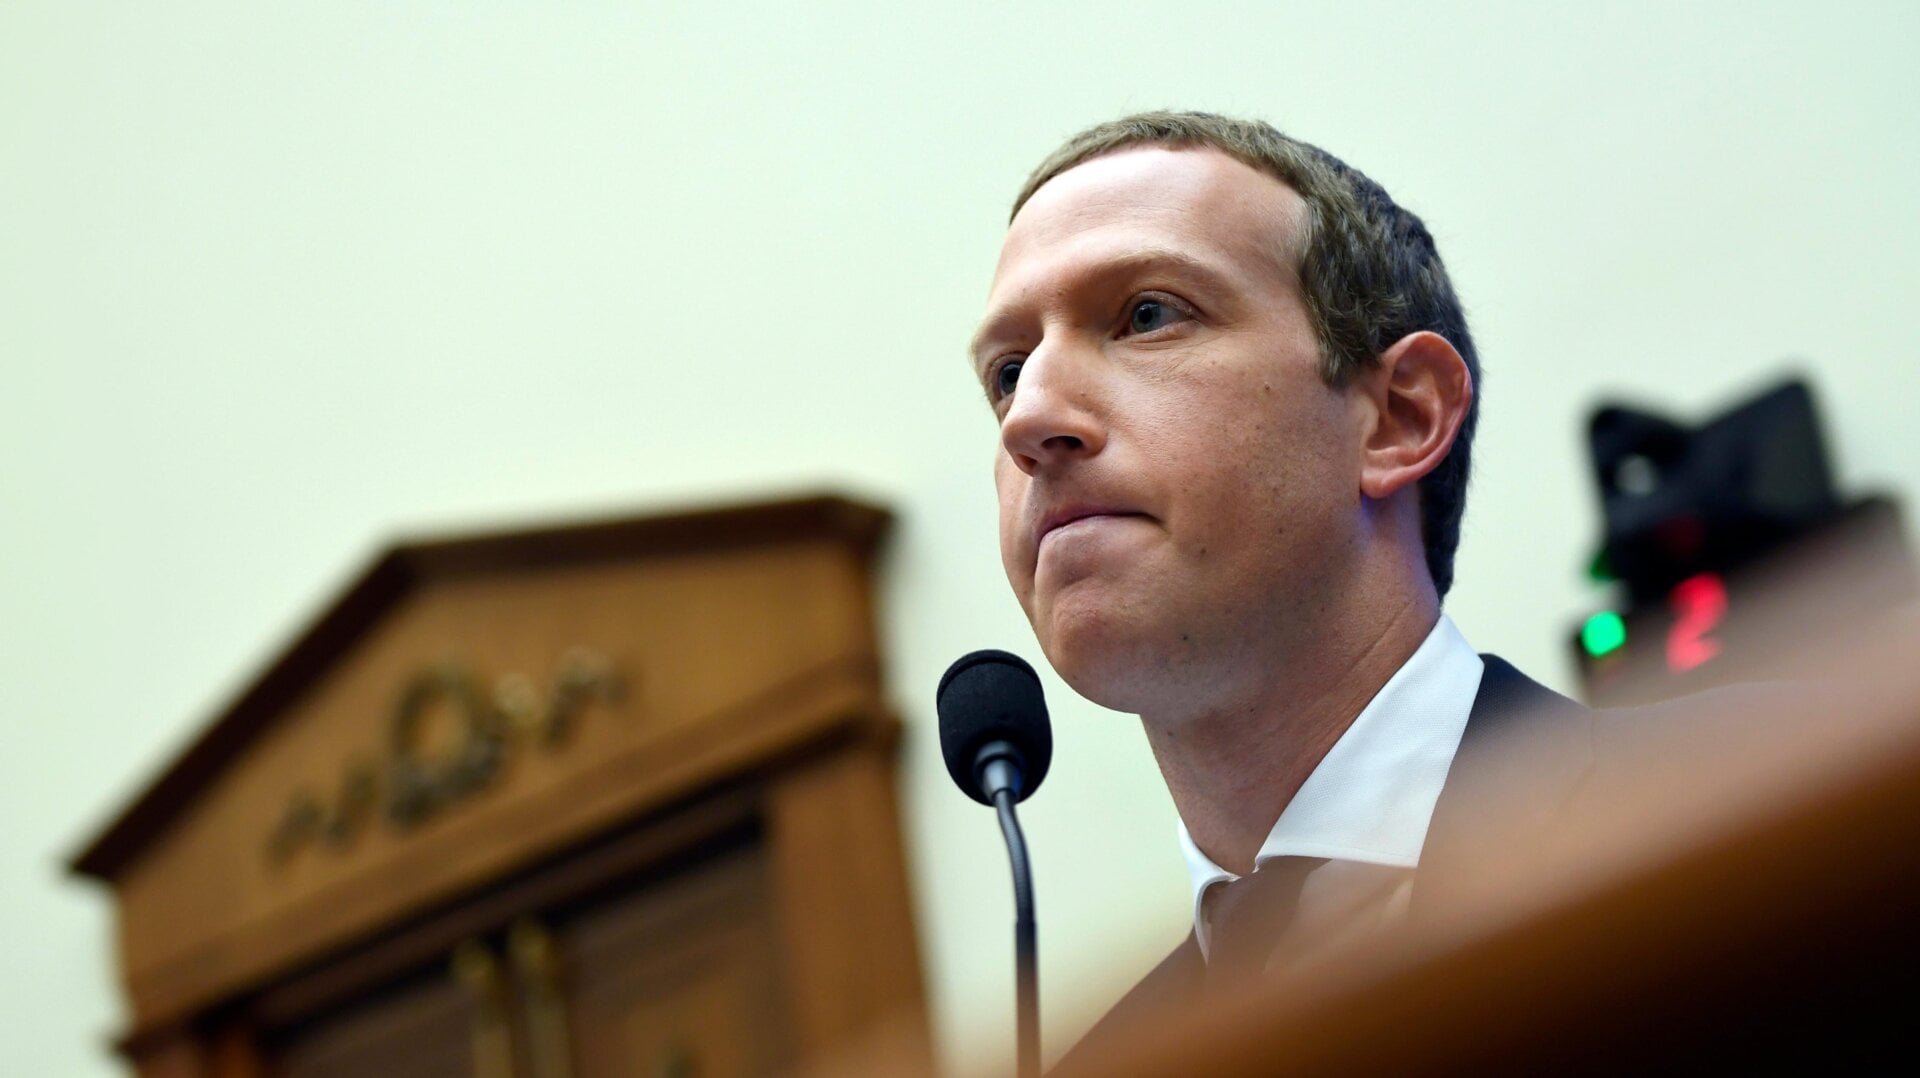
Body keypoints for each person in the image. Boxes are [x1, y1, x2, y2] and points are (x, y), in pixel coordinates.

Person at [968, 111, 1591, 1061]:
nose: (1029, 418)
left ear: (1398, 417)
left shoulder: (1756, 826)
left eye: (1147, 315)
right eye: (1009, 373)